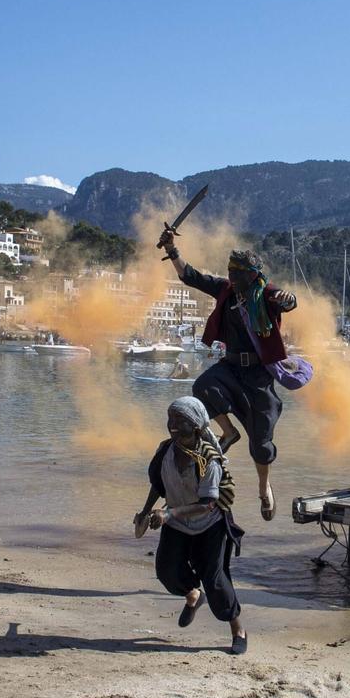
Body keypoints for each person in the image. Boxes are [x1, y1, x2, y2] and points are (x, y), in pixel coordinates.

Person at [161, 238, 297, 522]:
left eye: (237, 273)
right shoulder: (226, 290)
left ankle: (263, 488)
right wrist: (172, 251)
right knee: (202, 387)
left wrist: (288, 299)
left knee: (261, 442)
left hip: (258, 376)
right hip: (231, 367)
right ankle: (229, 432)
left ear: (252, 274)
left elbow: (286, 300)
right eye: (230, 272)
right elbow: (192, 276)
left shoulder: (266, 293)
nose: (232, 277)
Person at [134, 396, 248, 655]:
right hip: (176, 523)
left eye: (180, 420)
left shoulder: (209, 461)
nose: (172, 425)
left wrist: (170, 514)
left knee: (216, 580)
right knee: (166, 572)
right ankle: (193, 595)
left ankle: (237, 628)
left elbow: (208, 503)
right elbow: (158, 485)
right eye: (170, 418)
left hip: (210, 525)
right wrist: (144, 511)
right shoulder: (165, 450)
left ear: (196, 426)